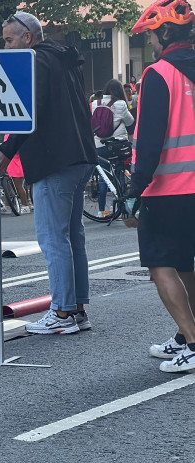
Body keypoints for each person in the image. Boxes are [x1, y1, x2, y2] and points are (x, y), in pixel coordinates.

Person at [0, 11, 98, 335]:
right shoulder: (62, 59)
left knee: (53, 238)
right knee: (73, 237)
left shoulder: (34, 61)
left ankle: (62, 312)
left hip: (55, 160)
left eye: (9, 40)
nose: (6, 47)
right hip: (80, 156)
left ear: (27, 37)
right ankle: (77, 309)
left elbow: (26, 110)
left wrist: (6, 150)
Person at [124, 0, 195, 373]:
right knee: (186, 263)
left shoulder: (159, 73)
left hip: (168, 188)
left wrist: (135, 189)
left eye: (150, 34)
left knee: (160, 265)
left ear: (165, 32)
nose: (150, 41)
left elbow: (149, 139)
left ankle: (192, 341)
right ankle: (187, 336)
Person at [90, 79, 135, 216]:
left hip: (99, 144)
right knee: (119, 174)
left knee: (104, 176)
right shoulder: (120, 104)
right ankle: (122, 210)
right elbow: (130, 121)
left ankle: (101, 210)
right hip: (117, 145)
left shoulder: (94, 104)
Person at [2, 134, 31, 214]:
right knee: (9, 186)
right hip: (10, 162)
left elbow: (17, 147)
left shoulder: (15, 134)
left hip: (16, 162)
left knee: (18, 185)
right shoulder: (7, 134)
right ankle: (8, 206)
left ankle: (25, 205)